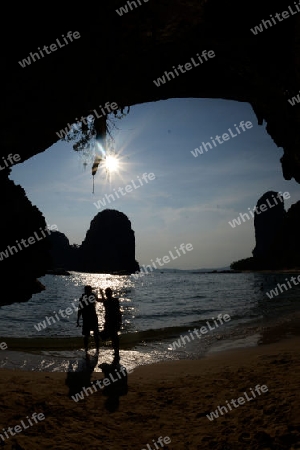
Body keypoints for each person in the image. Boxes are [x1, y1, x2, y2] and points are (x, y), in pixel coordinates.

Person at [98, 287, 122, 363]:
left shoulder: (108, 301)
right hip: (114, 321)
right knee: (114, 337)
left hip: (110, 321)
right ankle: (116, 351)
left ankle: (116, 352)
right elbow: (118, 311)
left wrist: (100, 293)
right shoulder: (115, 300)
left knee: (111, 336)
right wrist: (120, 321)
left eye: (106, 293)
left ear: (107, 293)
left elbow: (103, 301)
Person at [77, 285, 100, 354]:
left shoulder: (83, 298)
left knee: (89, 334)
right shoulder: (92, 296)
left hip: (89, 318)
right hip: (91, 318)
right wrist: (78, 319)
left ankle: (88, 349)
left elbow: (80, 309)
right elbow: (80, 309)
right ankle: (93, 349)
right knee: (92, 334)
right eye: (89, 290)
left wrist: (78, 319)